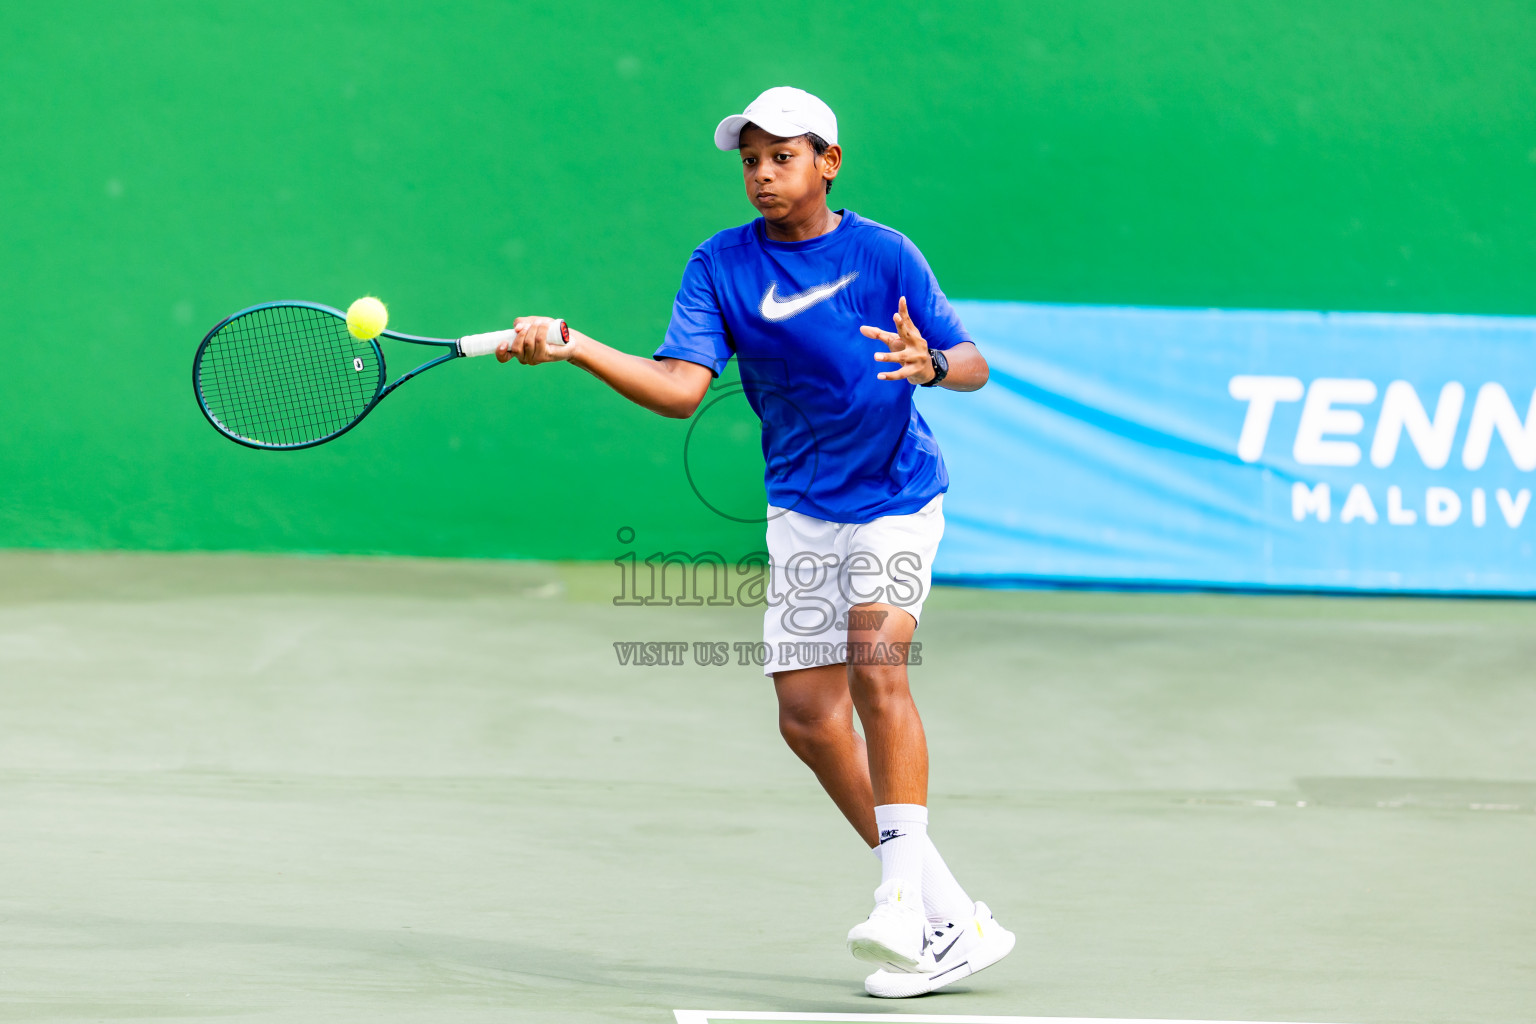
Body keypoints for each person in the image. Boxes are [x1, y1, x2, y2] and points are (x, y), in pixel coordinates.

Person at [495, 86, 1014, 998]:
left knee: (874, 659)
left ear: (829, 162)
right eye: (751, 160)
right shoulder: (721, 265)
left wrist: (931, 364)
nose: (764, 174)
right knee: (808, 721)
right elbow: (679, 388)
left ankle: (898, 901)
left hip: (896, 496)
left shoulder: (884, 253)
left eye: (783, 156)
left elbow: (970, 363)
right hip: (803, 510)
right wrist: (575, 347)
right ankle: (952, 919)